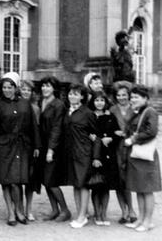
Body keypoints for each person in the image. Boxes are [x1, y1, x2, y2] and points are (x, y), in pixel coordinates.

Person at [0, 72, 40, 226]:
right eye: (4, 87)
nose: (7, 90)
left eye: (10, 87)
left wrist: (37, 145)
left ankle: (19, 210)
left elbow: (33, 126)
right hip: (4, 147)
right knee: (7, 181)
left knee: (17, 181)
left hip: (22, 146)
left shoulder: (25, 103)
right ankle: (11, 213)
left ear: (15, 87)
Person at [123, 85, 161, 232]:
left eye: (136, 97)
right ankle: (140, 218)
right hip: (136, 154)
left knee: (147, 189)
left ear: (145, 99)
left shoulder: (150, 112)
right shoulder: (136, 112)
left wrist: (133, 140)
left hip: (145, 154)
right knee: (139, 188)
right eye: (131, 97)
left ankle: (148, 221)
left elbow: (151, 131)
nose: (132, 99)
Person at [63, 84, 100, 229]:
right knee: (75, 184)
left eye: (76, 94)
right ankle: (80, 213)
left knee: (83, 184)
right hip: (70, 153)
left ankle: (82, 216)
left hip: (84, 153)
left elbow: (96, 136)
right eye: (70, 93)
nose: (72, 96)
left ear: (82, 97)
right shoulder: (67, 112)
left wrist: (96, 157)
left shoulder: (88, 113)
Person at [38, 76, 71, 222]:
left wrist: (51, 149)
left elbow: (57, 128)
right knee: (46, 180)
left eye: (48, 86)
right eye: (43, 86)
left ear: (54, 89)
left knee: (51, 180)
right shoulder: (41, 102)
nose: (45, 88)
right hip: (43, 145)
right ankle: (54, 210)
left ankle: (65, 210)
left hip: (54, 146)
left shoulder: (59, 105)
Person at [88, 91, 121, 226]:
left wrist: (111, 138)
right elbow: (85, 132)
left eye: (102, 100)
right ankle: (97, 213)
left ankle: (104, 214)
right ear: (93, 102)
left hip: (107, 153)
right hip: (94, 153)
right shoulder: (89, 116)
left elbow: (117, 133)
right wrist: (92, 137)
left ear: (106, 102)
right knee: (96, 185)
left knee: (106, 185)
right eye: (97, 100)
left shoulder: (110, 116)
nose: (99, 103)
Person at [109, 84, 138, 224]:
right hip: (116, 148)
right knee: (118, 181)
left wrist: (130, 135)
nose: (121, 98)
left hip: (131, 147)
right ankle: (124, 211)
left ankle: (131, 209)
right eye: (119, 95)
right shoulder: (112, 110)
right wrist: (113, 133)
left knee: (127, 180)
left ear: (128, 95)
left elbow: (141, 127)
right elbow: (106, 127)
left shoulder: (135, 109)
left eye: (124, 95)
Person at [19, 80, 40, 221]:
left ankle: (29, 209)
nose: (26, 92)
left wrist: (37, 146)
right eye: (23, 89)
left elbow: (37, 129)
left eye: (28, 90)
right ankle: (19, 208)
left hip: (31, 146)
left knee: (30, 179)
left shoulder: (35, 108)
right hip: (18, 145)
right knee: (18, 178)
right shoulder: (16, 104)